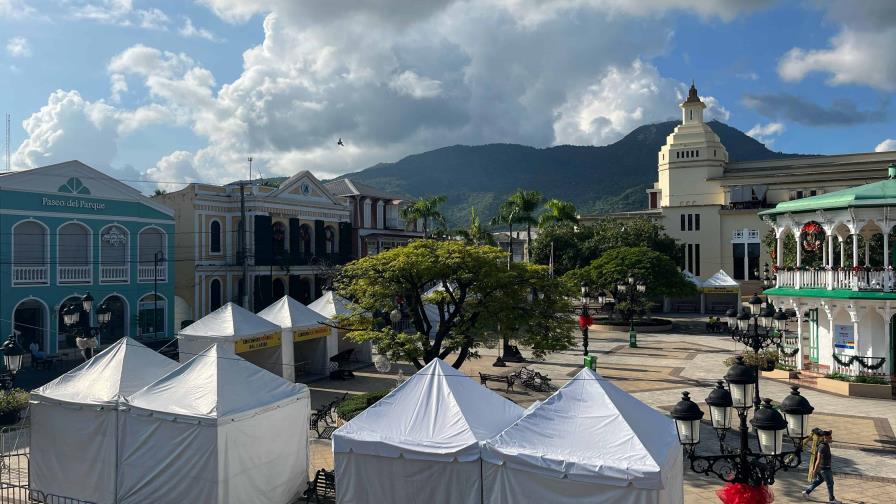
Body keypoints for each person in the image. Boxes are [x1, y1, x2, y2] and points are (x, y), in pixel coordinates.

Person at [803, 428, 839, 503]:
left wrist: (829, 432)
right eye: (830, 438)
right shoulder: (822, 447)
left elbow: (828, 432)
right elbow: (818, 460)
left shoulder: (824, 443)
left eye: (831, 437)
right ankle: (832, 499)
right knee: (830, 483)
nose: (831, 439)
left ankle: (806, 492)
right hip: (824, 468)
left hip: (823, 468)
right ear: (825, 437)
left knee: (819, 480)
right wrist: (814, 471)